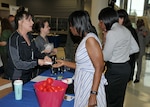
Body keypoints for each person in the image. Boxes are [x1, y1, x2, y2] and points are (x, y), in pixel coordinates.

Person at [53, 10, 107, 107]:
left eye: (71, 25)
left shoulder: (90, 40)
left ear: (78, 24)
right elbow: (83, 66)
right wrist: (64, 63)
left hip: (90, 84)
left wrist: (93, 94)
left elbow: (99, 68)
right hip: (84, 83)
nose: (70, 28)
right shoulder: (86, 39)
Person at [98, 7, 139, 107]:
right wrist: (122, 53)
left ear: (106, 20)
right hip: (125, 68)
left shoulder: (111, 33)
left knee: (109, 99)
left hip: (115, 70)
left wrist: (104, 41)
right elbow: (136, 48)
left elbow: (105, 57)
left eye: (100, 21)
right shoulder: (125, 29)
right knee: (119, 98)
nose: (100, 24)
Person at [5, 7, 52, 84]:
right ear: (20, 22)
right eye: (29, 20)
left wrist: (44, 56)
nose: (32, 23)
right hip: (17, 78)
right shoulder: (14, 39)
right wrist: (37, 62)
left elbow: (35, 51)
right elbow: (17, 63)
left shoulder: (29, 36)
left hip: (29, 75)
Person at [117, 9, 139, 81]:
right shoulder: (123, 29)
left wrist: (124, 52)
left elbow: (135, 47)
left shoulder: (128, 30)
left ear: (123, 18)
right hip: (124, 62)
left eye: (118, 18)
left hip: (127, 62)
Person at [134, 19, 148, 83]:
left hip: (140, 49)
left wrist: (145, 36)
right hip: (135, 49)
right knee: (136, 63)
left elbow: (147, 40)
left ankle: (137, 77)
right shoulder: (136, 30)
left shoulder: (144, 30)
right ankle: (134, 76)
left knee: (139, 64)